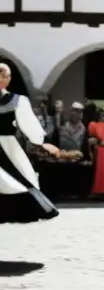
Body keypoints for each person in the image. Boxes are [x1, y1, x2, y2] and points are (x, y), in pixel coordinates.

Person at [0, 63, 60, 221]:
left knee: (19, 179)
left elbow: (29, 123)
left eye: (4, 75)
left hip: (8, 145)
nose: (1, 78)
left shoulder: (17, 100)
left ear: (9, 79)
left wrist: (42, 141)